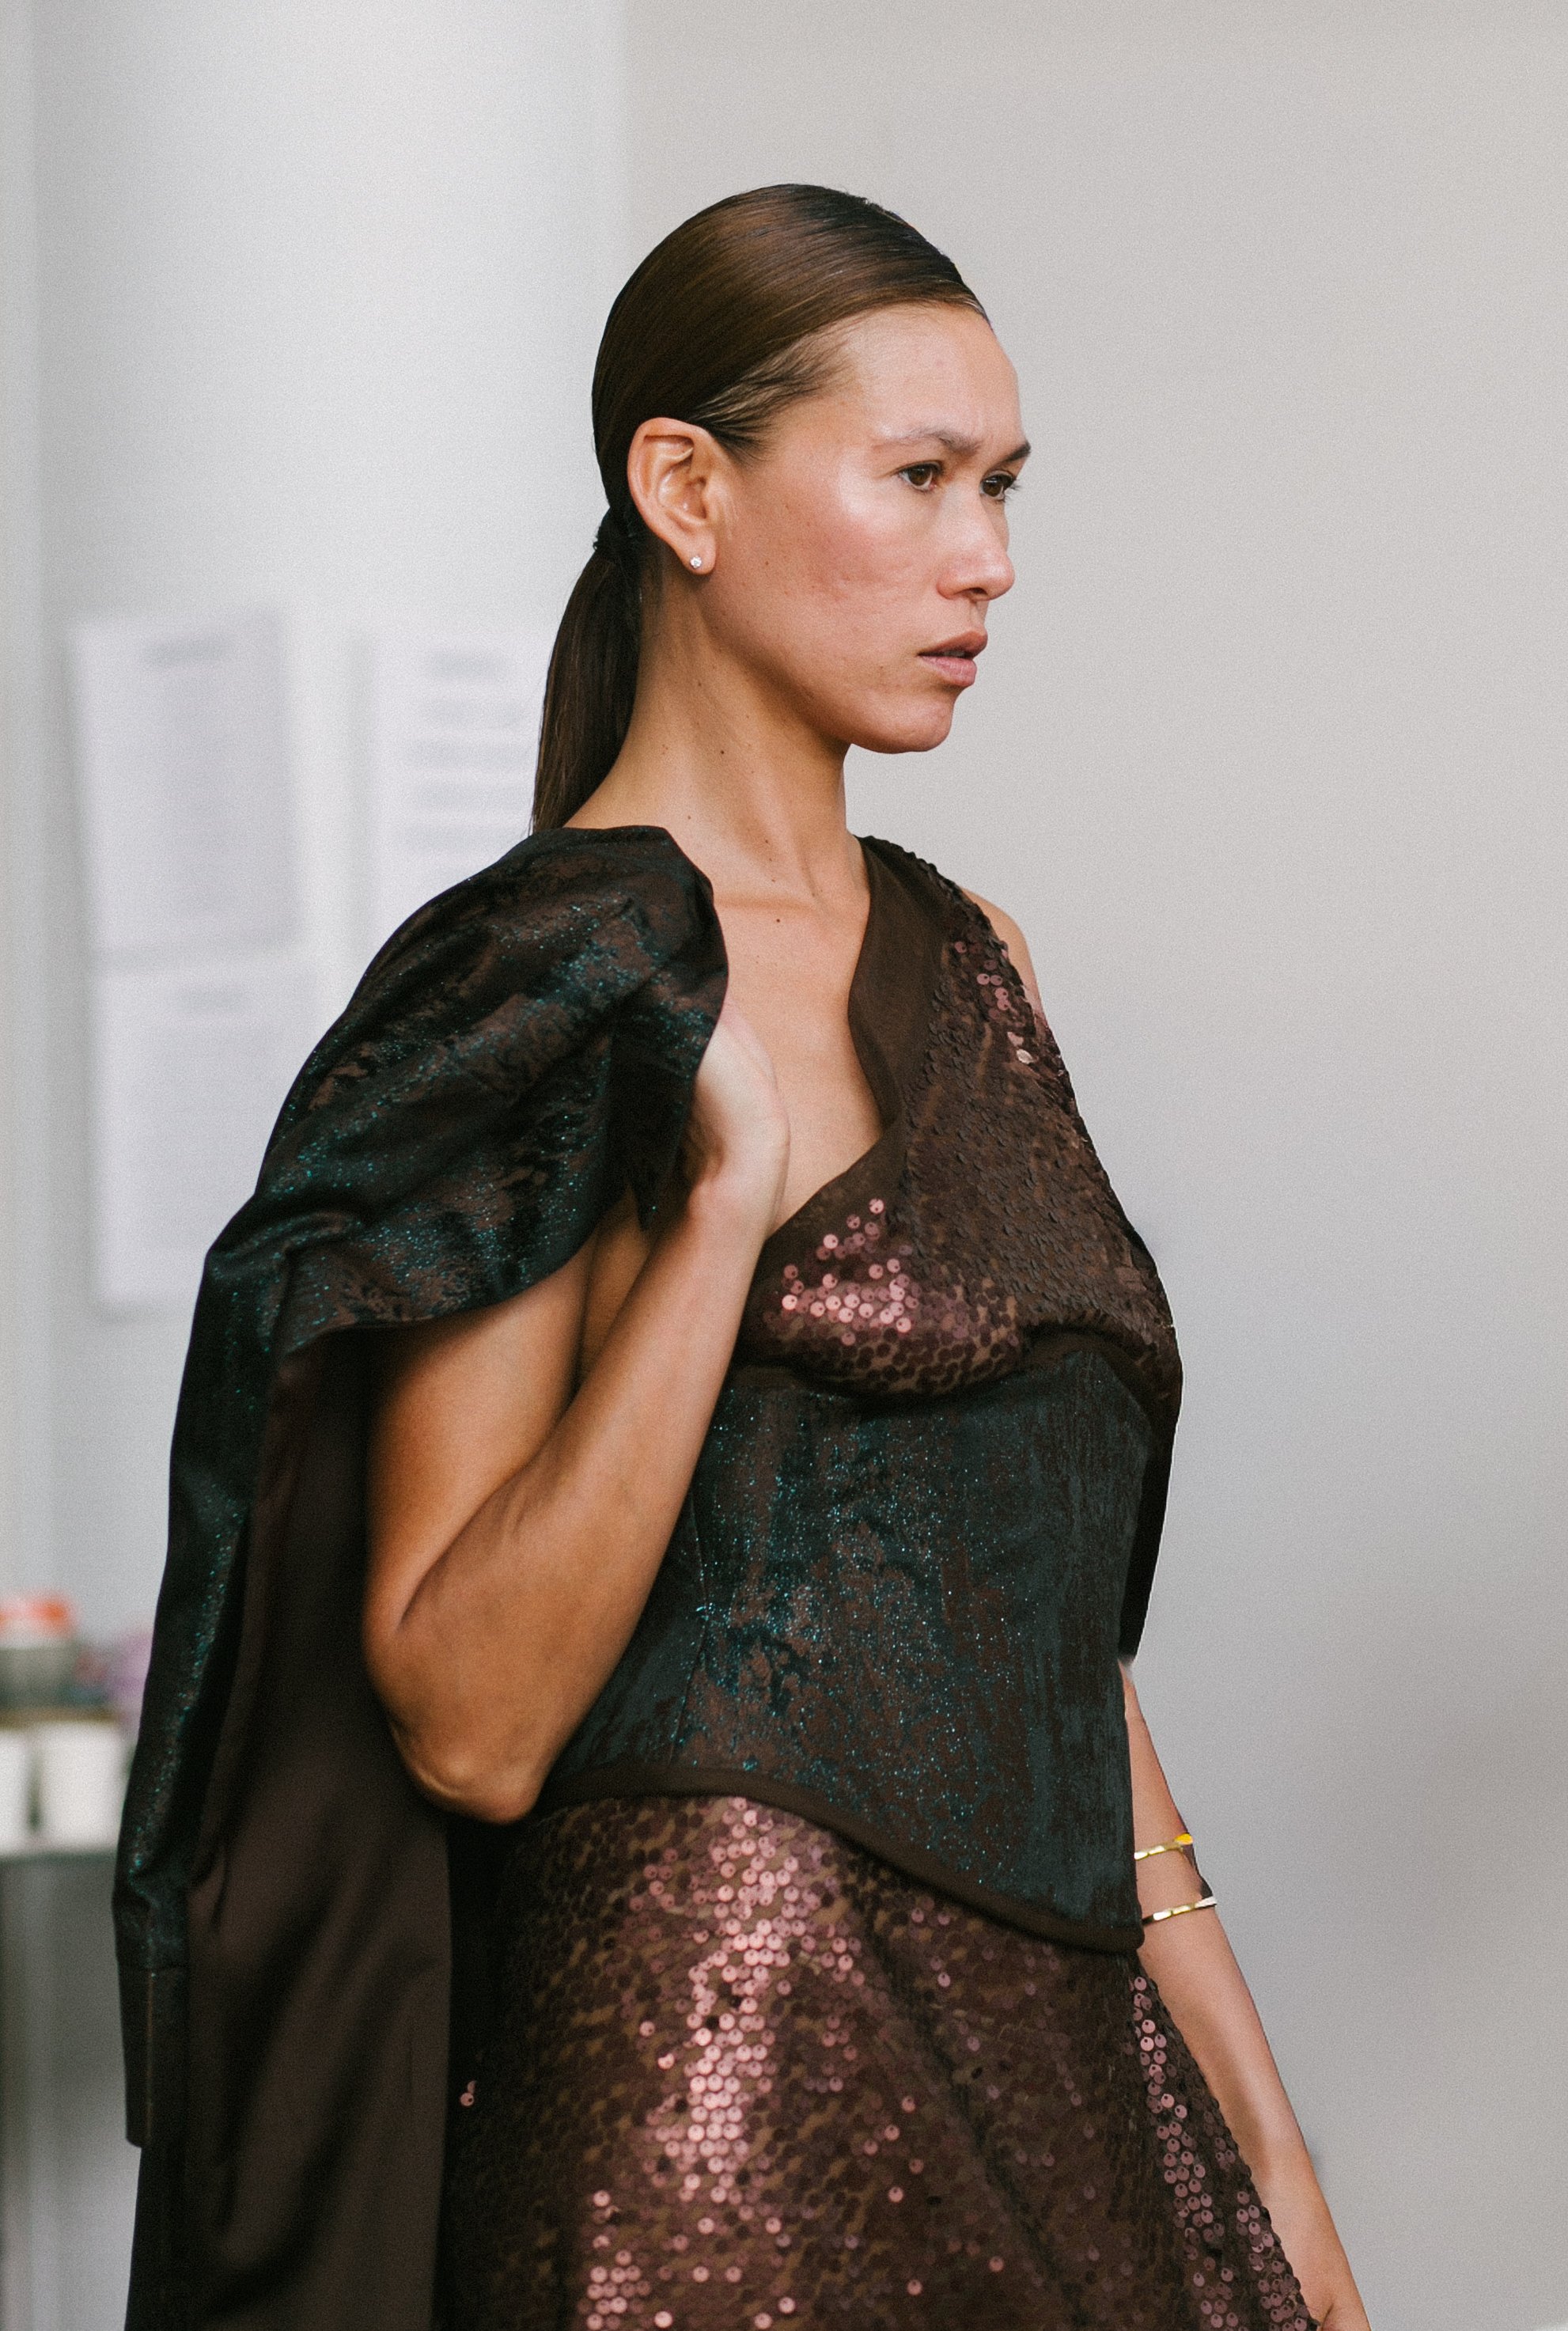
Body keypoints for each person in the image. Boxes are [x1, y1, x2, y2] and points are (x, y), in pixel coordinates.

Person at [116, 187, 1370, 2331]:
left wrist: (1264, 2150)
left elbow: (1040, 1636)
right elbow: (468, 1718)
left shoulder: (979, 964)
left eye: (1002, 487)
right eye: (920, 478)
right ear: (685, 489)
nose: (987, 559)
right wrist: (719, 1210)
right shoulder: (551, 977)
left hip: (1065, 2084)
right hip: (709, 2121)